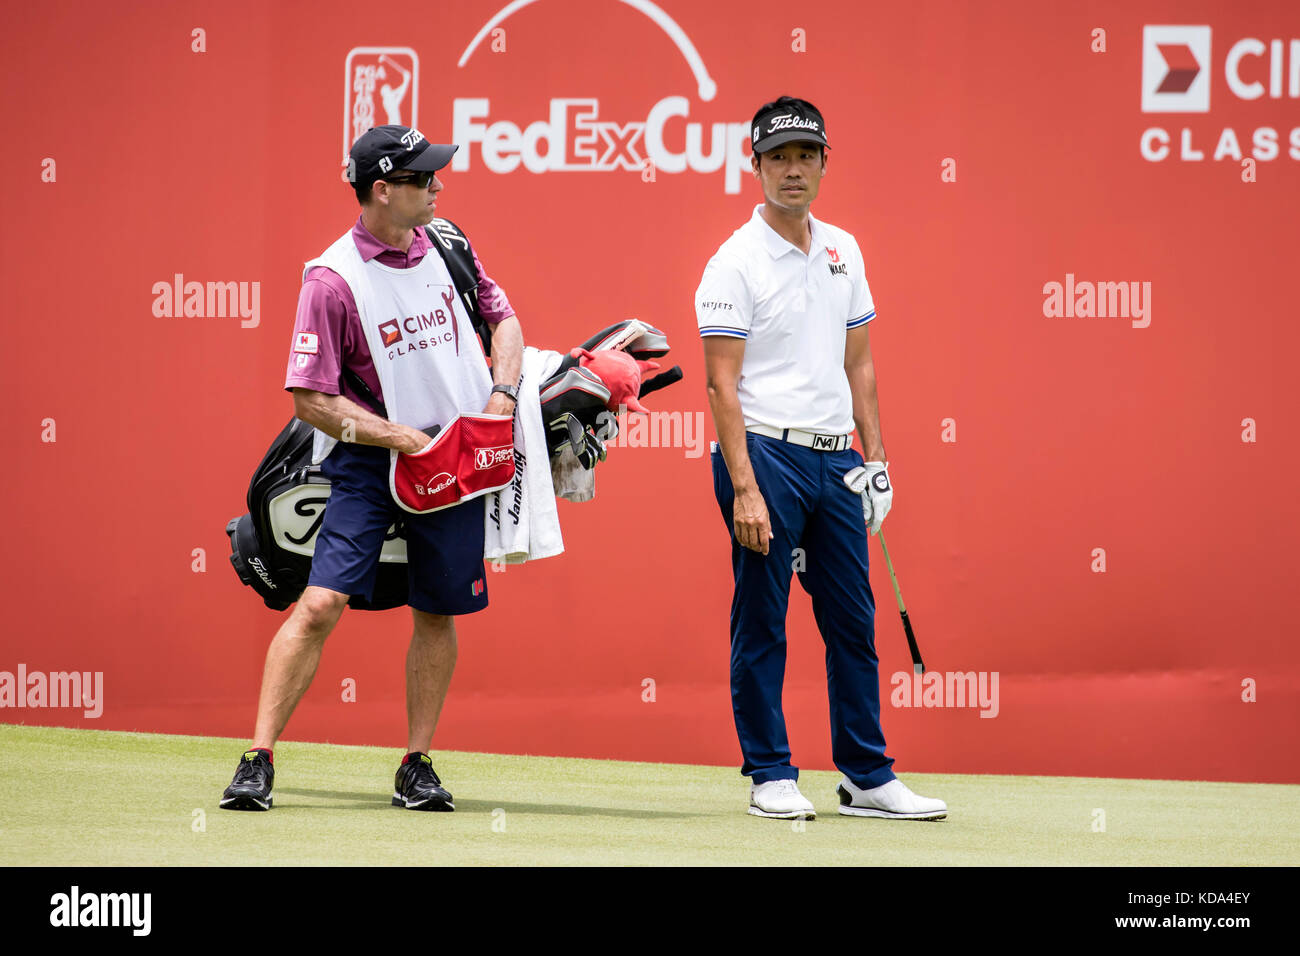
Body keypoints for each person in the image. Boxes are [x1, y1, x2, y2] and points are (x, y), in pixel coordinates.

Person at [220, 124, 524, 813]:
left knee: (437, 613)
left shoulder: (449, 243)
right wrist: (399, 439)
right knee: (321, 603)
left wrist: (502, 393)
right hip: (368, 463)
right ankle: (257, 758)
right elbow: (312, 399)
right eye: (422, 180)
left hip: (456, 464)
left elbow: (503, 322)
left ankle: (416, 765)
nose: (437, 187)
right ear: (381, 190)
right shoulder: (331, 281)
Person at [696, 96, 947, 821]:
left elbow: (860, 364)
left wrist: (878, 460)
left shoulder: (844, 250)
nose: (793, 170)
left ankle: (866, 775)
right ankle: (771, 773)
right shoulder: (733, 262)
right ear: (756, 166)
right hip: (765, 456)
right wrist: (744, 488)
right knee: (763, 618)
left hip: (837, 461)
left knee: (852, 621)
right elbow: (720, 384)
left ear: (825, 162)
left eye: (806, 155)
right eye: (778, 157)